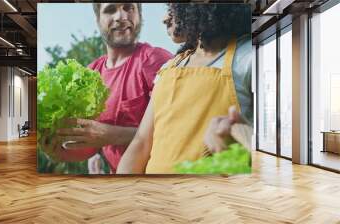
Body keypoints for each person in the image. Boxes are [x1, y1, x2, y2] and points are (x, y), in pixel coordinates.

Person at [117, 3, 253, 174]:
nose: (165, 18)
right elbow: (141, 142)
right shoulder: (170, 66)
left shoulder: (249, 57)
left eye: (174, 7)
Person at [50, 3, 173, 174]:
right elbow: (92, 144)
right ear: (98, 19)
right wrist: (60, 152)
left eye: (129, 7)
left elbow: (176, 131)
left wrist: (111, 134)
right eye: (110, 10)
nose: (121, 17)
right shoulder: (91, 73)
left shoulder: (155, 60)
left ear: (139, 15)